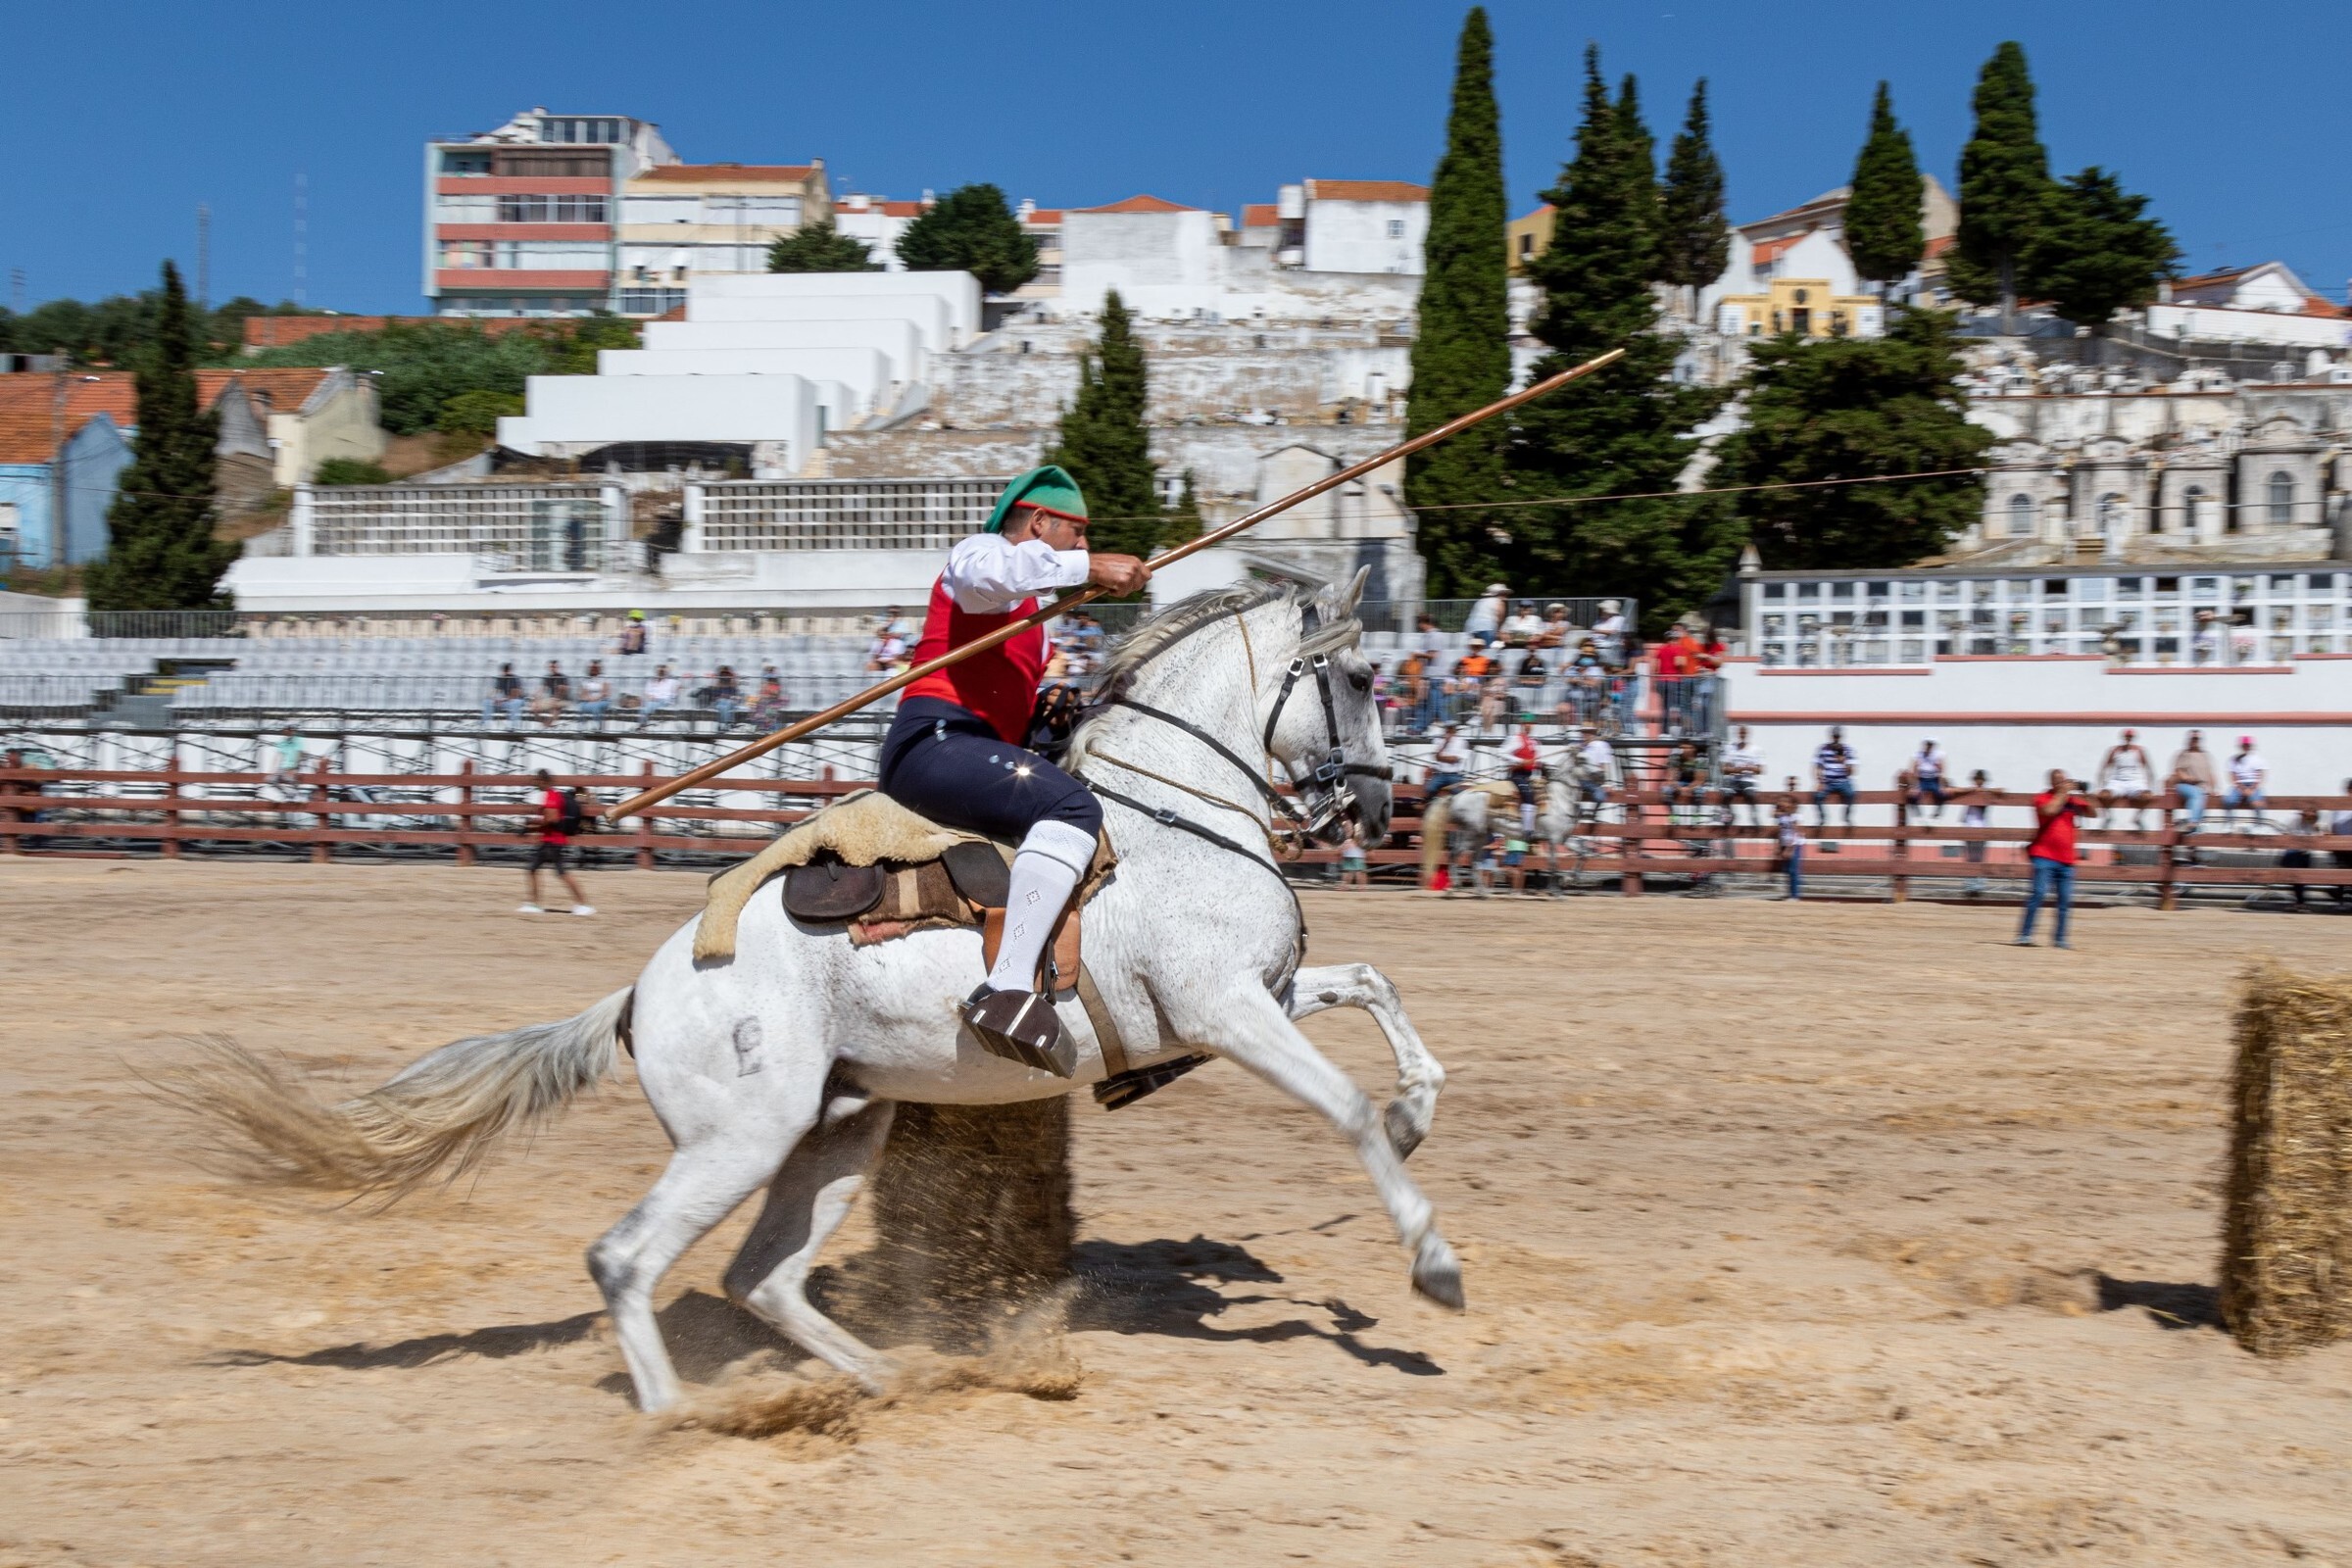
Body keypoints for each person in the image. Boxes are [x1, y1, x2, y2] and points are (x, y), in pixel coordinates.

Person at [874, 465, 1149, 1069]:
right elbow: (991, 576)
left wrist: (1048, 718)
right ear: (1039, 522)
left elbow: (1008, 713)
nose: (1082, 547)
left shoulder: (1036, 624)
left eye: (1086, 542)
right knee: (1071, 809)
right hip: (933, 742)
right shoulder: (980, 557)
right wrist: (1091, 567)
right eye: (1077, 534)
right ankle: (1006, 989)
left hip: (972, 746)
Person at [2016, 768, 2093, 949]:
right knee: (2038, 894)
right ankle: (2025, 935)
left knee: (2065, 900)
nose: (2062, 783)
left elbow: (2093, 812)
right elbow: (2049, 811)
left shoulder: (2072, 801)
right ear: (2051, 782)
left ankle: (2060, 939)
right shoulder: (2042, 798)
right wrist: (2062, 793)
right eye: (2058, 780)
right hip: (2044, 855)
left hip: (2066, 859)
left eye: (2064, 780)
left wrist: (2086, 793)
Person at [519, 768, 595, 917]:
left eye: (536, 780)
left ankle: (583, 904)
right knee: (534, 869)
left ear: (542, 781)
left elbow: (552, 819)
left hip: (553, 841)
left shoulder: (551, 796)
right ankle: (534, 904)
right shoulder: (552, 795)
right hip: (550, 840)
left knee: (561, 873)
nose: (535, 783)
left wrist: (533, 826)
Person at [2096, 727, 2156, 830]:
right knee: (2103, 795)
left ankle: (2137, 818)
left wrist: (2150, 786)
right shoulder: (2115, 750)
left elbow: (2148, 768)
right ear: (2123, 737)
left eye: (2130, 737)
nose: (2128, 739)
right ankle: (2108, 817)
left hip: (2135, 781)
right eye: (2127, 737)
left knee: (2147, 796)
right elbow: (2104, 767)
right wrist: (2101, 784)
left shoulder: (2139, 750)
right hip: (2117, 781)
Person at [1952, 770, 2000, 897]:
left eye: (1980, 780)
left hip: (1981, 827)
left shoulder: (1986, 792)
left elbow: (2001, 791)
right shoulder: (1970, 791)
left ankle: (1978, 886)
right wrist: (1971, 790)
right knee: (1970, 858)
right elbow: (1955, 790)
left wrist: (1984, 791)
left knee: (1979, 858)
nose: (1978, 782)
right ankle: (1970, 886)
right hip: (1970, 827)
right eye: (1977, 779)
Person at [2166, 730, 2218, 835]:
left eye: (2197, 739)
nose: (2195, 741)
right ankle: (2193, 822)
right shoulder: (2184, 754)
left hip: (2202, 787)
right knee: (2197, 793)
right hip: (2186, 785)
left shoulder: (2205, 755)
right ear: (2189, 740)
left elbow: (2210, 773)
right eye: (2193, 739)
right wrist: (2188, 778)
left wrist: (2213, 788)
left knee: (2201, 797)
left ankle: (2192, 829)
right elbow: (2178, 771)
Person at [2278, 807, 2325, 909]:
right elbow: (2285, 834)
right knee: (2297, 878)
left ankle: (2300, 901)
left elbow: (2319, 835)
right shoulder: (2294, 820)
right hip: (2294, 852)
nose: (2312, 815)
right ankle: (2300, 901)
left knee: (2301, 879)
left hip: (2304, 853)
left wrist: (2315, 827)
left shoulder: (2312, 823)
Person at [1812, 725, 1858, 829]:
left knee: (1851, 794)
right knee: (1817, 796)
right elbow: (1818, 767)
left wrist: (1844, 762)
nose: (1836, 738)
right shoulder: (1823, 749)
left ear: (1841, 737)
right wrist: (1820, 782)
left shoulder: (1848, 750)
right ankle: (1822, 819)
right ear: (1831, 736)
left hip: (1843, 780)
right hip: (1828, 781)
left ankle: (1847, 817)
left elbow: (1852, 772)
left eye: (1838, 736)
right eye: (1834, 736)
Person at [1721, 724, 1765, 825]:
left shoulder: (1755, 749)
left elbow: (1760, 769)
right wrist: (1737, 769)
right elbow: (1724, 769)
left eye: (1744, 732)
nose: (1742, 734)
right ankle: (1730, 815)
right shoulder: (1730, 748)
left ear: (1748, 733)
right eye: (1740, 732)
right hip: (1734, 780)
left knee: (1750, 793)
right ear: (1737, 733)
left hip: (1748, 780)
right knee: (1726, 793)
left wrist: (1749, 768)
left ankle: (1754, 815)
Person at [2222, 735, 2269, 827]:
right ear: (2241, 746)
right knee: (2229, 801)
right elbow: (2233, 776)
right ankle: (2229, 823)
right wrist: (2242, 789)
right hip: (2239, 785)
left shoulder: (2257, 759)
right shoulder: (2233, 759)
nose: (2246, 747)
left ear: (2251, 746)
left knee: (2258, 803)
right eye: (2244, 745)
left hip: (2253, 784)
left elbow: (2259, 776)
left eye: (2248, 745)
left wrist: (2252, 789)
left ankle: (2259, 826)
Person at [1506, 721, 1542, 838]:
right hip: (1517, 774)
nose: (1528, 726)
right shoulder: (1515, 739)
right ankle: (1528, 830)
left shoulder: (1534, 742)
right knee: (1528, 796)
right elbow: (1502, 753)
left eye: (1530, 724)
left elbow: (1536, 759)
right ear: (1522, 725)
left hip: (1530, 775)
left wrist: (1538, 764)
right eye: (1526, 724)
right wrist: (1520, 761)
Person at [1901, 738, 1949, 817]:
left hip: (1934, 779)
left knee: (1943, 794)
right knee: (1912, 795)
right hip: (1922, 779)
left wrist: (1941, 785)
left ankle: (1937, 814)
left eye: (1931, 745)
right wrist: (1914, 786)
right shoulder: (1918, 755)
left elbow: (1941, 771)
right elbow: (1913, 771)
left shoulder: (1938, 755)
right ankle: (1918, 815)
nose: (1929, 747)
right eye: (1927, 745)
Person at [1774, 783, 1805, 901]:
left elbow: (1796, 833)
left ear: (1792, 805)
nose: (1781, 803)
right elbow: (1781, 831)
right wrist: (1778, 847)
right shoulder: (1782, 817)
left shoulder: (1796, 816)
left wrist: (1789, 848)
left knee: (1792, 870)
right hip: (1784, 844)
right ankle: (1793, 889)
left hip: (1794, 845)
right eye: (1780, 802)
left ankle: (1795, 895)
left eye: (1785, 802)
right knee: (1786, 870)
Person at [1426, 723, 1467, 796]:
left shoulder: (1461, 742)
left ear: (1455, 731)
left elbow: (1454, 760)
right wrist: (1445, 744)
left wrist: (1441, 758)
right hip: (1440, 774)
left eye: (1451, 730)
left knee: (1457, 791)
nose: (1449, 732)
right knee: (1430, 788)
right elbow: (1436, 757)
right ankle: (1431, 803)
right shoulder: (1441, 741)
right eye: (1447, 730)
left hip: (1454, 775)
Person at [1464, 583, 1508, 647]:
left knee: (1475, 648)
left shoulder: (1480, 601)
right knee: (1488, 649)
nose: (1505, 595)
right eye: (1504, 593)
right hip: (1486, 627)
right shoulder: (1499, 601)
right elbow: (1500, 617)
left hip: (1470, 627)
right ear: (1498, 594)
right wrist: (1499, 630)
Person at [482, 663, 525, 728]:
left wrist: (502, 700)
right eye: (504, 671)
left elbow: (515, 695)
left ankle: (513, 727)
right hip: (506, 701)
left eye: (506, 671)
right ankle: (484, 725)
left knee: (515, 703)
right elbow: (494, 691)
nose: (505, 673)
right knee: (487, 702)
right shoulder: (501, 679)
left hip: (517, 700)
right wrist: (494, 699)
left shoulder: (515, 679)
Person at [637, 663, 680, 728]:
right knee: (645, 707)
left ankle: (642, 726)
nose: (661, 672)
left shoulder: (672, 681)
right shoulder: (651, 681)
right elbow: (646, 692)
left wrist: (673, 697)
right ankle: (643, 725)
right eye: (659, 671)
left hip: (665, 700)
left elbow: (679, 687)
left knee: (645, 709)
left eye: (663, 671)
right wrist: (650, 696)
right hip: (653, 700)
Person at [530, 661, 571, 726]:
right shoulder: (548, 678)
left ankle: (549, 723)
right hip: (552, 700)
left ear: (558, 667)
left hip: (564, 700)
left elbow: (565, 690)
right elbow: (541, 690)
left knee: (555, 706)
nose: (552, 668)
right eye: (551, 667)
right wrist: (535, 699)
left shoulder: (563, 677)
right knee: (535, 706)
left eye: (554, 667)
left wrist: (557, 698)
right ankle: (544, 723)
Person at [575, 661, 613, 726]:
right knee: (581, 706)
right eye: (592, 667)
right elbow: (583, 694)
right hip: (588, 701)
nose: (593, 669)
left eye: (596, 668)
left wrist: (596, 699)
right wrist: (590, 699)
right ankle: (582, 726)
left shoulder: (604, 678)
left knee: (596, 707)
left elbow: (605, 692)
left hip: (602, 700)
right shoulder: (585, 679)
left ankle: (597, 726)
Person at [706, 665, 743, 729]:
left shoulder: (732, 686)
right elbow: (714, 697)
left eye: (726, 674)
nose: (725, 676)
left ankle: (721, 725)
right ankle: (726, 724)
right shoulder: (717, 686)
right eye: (723, 674)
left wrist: (728, 696)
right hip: (720, 702)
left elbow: (735, 696)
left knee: (726, 705)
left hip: (730, 702)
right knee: (722, 706)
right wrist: (720, 697)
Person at [752, 665, 787, 729]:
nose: (769, 680)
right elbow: (761, 695)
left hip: (773, 702)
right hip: (765, 702)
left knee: (769, 709)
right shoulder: (764, 685)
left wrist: (769, 692)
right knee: (758, 704)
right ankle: (761, 726)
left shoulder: (776, 685)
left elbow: (776, 695)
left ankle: (770, 725)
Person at [1338, 826, 1369, 890]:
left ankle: (1362, 886)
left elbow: (1362, 842)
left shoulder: (1359, 834)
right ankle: (1345, 885)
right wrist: (1342, 850)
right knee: (1347, 872)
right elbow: (1342, 846)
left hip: (1357, 856)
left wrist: (1353, 842)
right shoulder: (1345, 836)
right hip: (1347, 856)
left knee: (1359, 872)